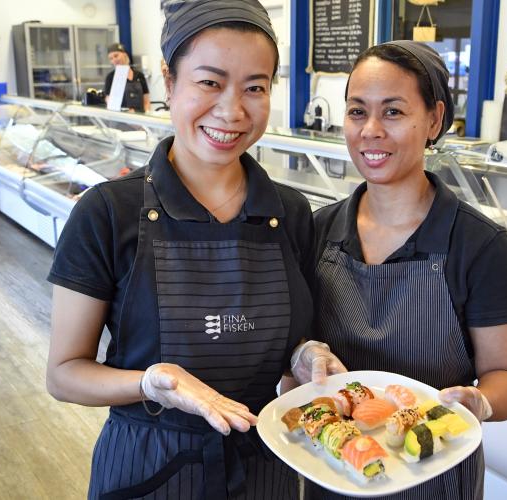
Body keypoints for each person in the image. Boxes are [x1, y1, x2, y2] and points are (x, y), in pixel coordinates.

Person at [46, 1, 313, 498]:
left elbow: (286, 347)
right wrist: (149, 383)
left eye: (255, 87)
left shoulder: (291, 212)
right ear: (169, 82)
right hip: (148, 467)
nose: (233, 110)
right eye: (209, 82)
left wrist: (304, 356)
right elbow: (64, 375)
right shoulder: (107, 212)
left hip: (266, 466)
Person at [301, 41, 507, 499]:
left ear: (433, 120)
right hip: (336, 470)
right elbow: (298, 351)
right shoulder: (317, 230)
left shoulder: (481, 247)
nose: (370, 130)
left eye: (392, 112)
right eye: (356, 111)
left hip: (433, 474)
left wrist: (480, 403)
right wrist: (301, 356)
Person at [103, 42, 151, 112]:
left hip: (140, 119)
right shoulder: (110, 77)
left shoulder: (139, 75)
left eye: (116, 56)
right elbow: (110, 103)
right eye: (111, 58)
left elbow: (146, 101)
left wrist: (146, 116)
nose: (114, 60)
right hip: (121, 120)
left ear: (125, 55)